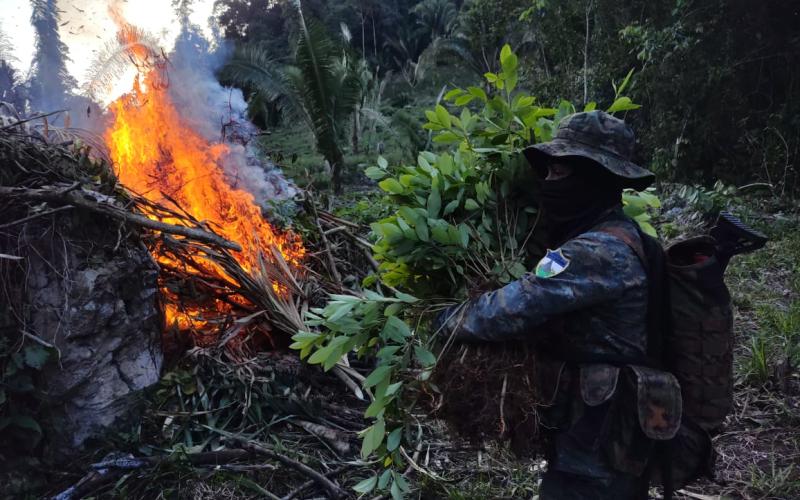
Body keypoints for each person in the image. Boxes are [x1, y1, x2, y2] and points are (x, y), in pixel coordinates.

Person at [438, 111, 681, 499]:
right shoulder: (615, 235)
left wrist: (444, 318)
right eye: (547, 172)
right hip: (598, 431)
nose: (548, 183)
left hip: (598, 438)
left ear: (595, 178)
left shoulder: (598, 251)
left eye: (559, 173)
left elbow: (516, 305)